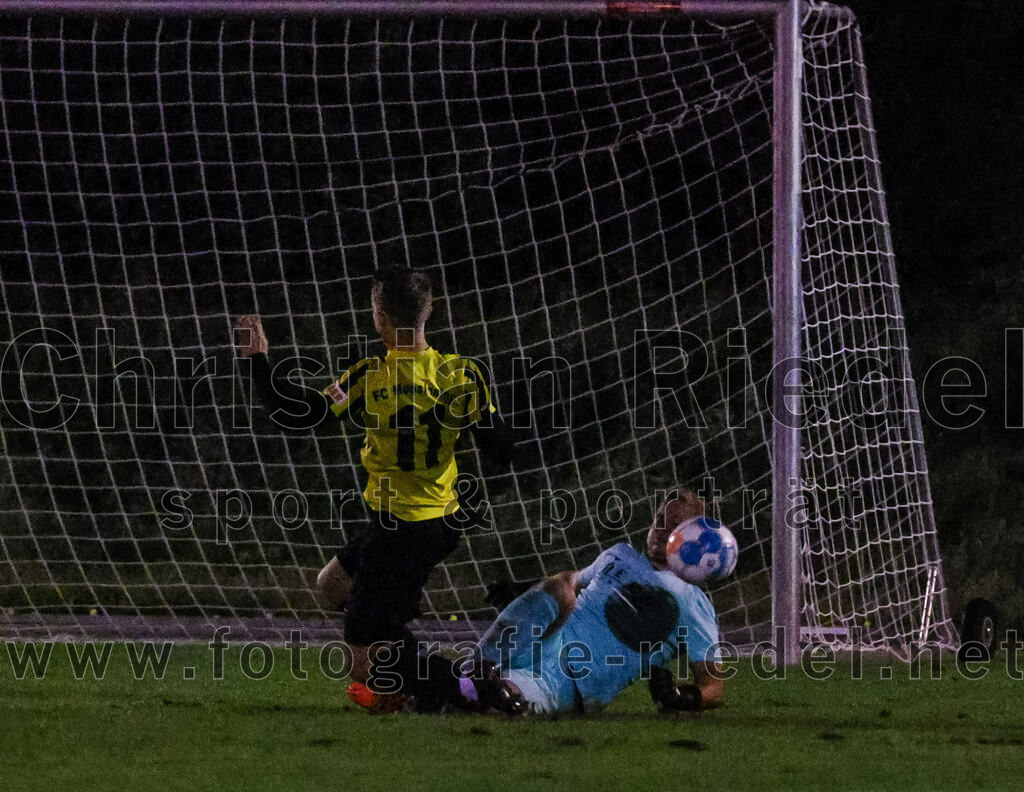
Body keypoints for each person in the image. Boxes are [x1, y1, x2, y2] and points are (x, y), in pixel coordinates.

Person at [235, 266, 515, 705]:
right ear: (429, 312)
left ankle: (470, 688)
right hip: (433, 520)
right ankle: (393, 641)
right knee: (332, 585)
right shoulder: (462, 375)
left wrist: (257, 360)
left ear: (379, 317)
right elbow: (501, 447)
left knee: (362, 661)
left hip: (402, 529)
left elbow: (296, 415)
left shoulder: (368, 377)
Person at [453, 487, 726, 715]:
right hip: (548, 641)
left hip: (571, 681)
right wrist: (528, 592)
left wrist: (681, 697)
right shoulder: (620, 554)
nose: (659, 530)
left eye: (673, 525)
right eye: (658, 520)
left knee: (495, 701)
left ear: (693, 538)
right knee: (559, 589)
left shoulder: (693, 603)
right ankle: (471, 670)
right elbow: (570, 580)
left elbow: (713, 684)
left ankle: (460, 690)